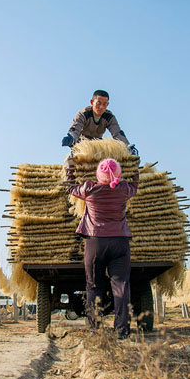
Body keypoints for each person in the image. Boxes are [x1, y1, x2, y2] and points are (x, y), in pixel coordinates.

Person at [65, 157, 139, 339]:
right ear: (119, 174)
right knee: (121, 286)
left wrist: (70, 167)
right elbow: (134, 186)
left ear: (98, 174)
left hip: (95, 242)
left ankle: (94, 330)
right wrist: (135, 168)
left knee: (94, 286)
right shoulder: (123, 189)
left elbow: (70, 187)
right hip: (120, 243)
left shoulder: (89, 189)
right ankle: (122, 331)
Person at [62, 90, 137, 154]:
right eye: (98, 103)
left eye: (104, 104)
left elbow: (117, 133)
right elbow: (76, 128)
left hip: (97, 146)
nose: (101, 107)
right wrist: (71, 138)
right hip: (81, 145)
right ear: (92, 102)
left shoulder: (109, 117)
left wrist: (127, 147)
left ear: (107, 104)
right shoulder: (83, 114)